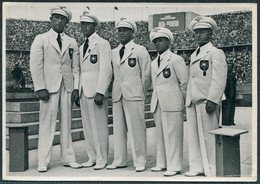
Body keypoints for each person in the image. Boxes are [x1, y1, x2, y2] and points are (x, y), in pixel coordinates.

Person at [30, 6, 81, 172]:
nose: (59, 21)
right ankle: (43, 161)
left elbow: (75, 67)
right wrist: (40, 87)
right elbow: (36, 65)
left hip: (66, 85)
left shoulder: (72, 41)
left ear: (67, 22)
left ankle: (68, 158)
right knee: (46, 124)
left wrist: (75, 88)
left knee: (67, 123)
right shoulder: (41, 39)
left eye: (62, 18)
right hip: (48, 87)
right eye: (56, 17)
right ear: (51, 19)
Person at [106, 18, 151, 172]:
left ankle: (140, 160)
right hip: (118, 94)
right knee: (118, 129)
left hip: (134, 94)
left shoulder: (140, 50)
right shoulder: (113, 52)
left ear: (132, 32)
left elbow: (146, 75)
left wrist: (140, 91)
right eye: (119, 30)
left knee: (137, 129)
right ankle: (120, 159)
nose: (121, 32)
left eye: (125, 30)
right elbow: (112, 74)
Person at [185, 16, 227, 177]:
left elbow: (219, 78)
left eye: (202, 31)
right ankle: (197, 167)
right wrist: (188, 98)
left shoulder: (216, 52)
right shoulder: (195, 53)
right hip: (194, 100)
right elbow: (192, 79)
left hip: (207, 100)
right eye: (196, 32)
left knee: (210, 137)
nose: (198, 35)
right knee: (194, 137)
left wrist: (213, 99)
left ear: (210, 33)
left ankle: (212, 168)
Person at [75, 11, 112, 170]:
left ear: (95, 26)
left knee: (100, 126)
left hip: (96, 92)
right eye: (82, 24)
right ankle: (91, 157)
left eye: (88, 24)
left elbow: (106, 69)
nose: (85, 27)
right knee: (88, 126)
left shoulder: (102, 43)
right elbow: (78, 70)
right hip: (84, 90)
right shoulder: (81, 46)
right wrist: (77, 89)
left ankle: (102, 158)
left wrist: (101, 91)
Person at [149, 27, 189, 176]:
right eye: (155, 41)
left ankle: (175, 165)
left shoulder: (175, 59)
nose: (157, 43)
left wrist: (183, 103)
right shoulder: (153, 63)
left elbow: (184, 83)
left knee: (173, 135)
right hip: (158, 102)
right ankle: (162, 162)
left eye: (161, 40)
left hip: (173, 103)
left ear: (168, 42)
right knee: (160, 134)